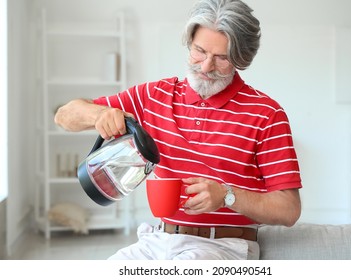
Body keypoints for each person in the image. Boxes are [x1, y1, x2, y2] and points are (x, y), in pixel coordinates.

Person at [54, 0, 302, 260]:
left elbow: (289, 209)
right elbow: (64, 115)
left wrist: (227, 195)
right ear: (189, 43)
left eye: (221, 58)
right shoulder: (153, 96)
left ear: (241, 58)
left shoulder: (267, 114)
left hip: (222, 246)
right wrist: (99, 114)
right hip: (157, 241)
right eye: (199, 51)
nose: (206, 67)